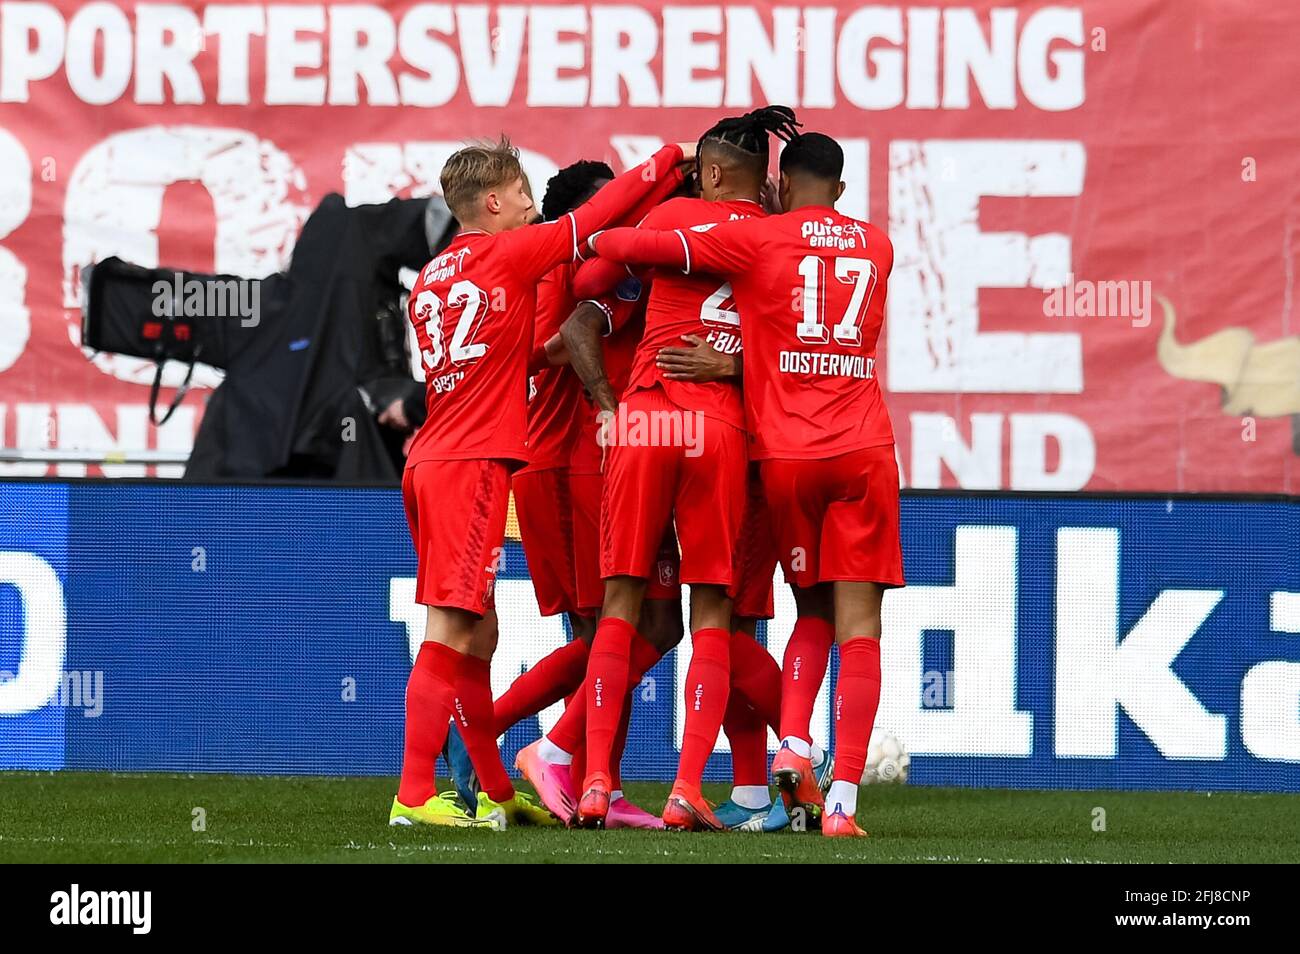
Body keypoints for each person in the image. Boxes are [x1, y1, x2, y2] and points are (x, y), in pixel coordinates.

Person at [587, 131, 901, 838]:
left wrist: (663, 198)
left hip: (764, 447)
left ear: (781, 184)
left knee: (630, 602)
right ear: (839, 189)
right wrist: (737, 363)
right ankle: (832, 794)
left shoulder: (761, 240)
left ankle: (595, 776)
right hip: (851, 445)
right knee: (840, 623)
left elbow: (609, 254)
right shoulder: (877, 246)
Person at [390, 136, 695, 829]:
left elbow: (507, 350)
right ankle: (412, 796)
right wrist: (665, 162)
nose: (531, 206)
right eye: (521, 193)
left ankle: (495, 790)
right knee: (451, 628)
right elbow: (589, 222)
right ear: (491, 202)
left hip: (429, 458)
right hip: (472, 465)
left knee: (480, 633)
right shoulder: (507, 253)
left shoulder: (434, 278)